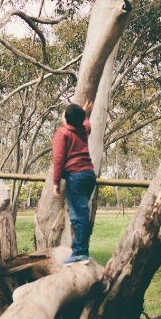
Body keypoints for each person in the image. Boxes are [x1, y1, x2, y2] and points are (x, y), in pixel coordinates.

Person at [51, 99, 96, 264]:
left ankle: (80, 252)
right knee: (83, 213)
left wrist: (55, 182)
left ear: (66, 119)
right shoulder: (82, 130)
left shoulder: (63, 133)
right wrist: (85, 113)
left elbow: (58, 158)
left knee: (79, 216)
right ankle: (81, 250)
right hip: (89, 175)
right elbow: (87, 125)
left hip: (75, 176)